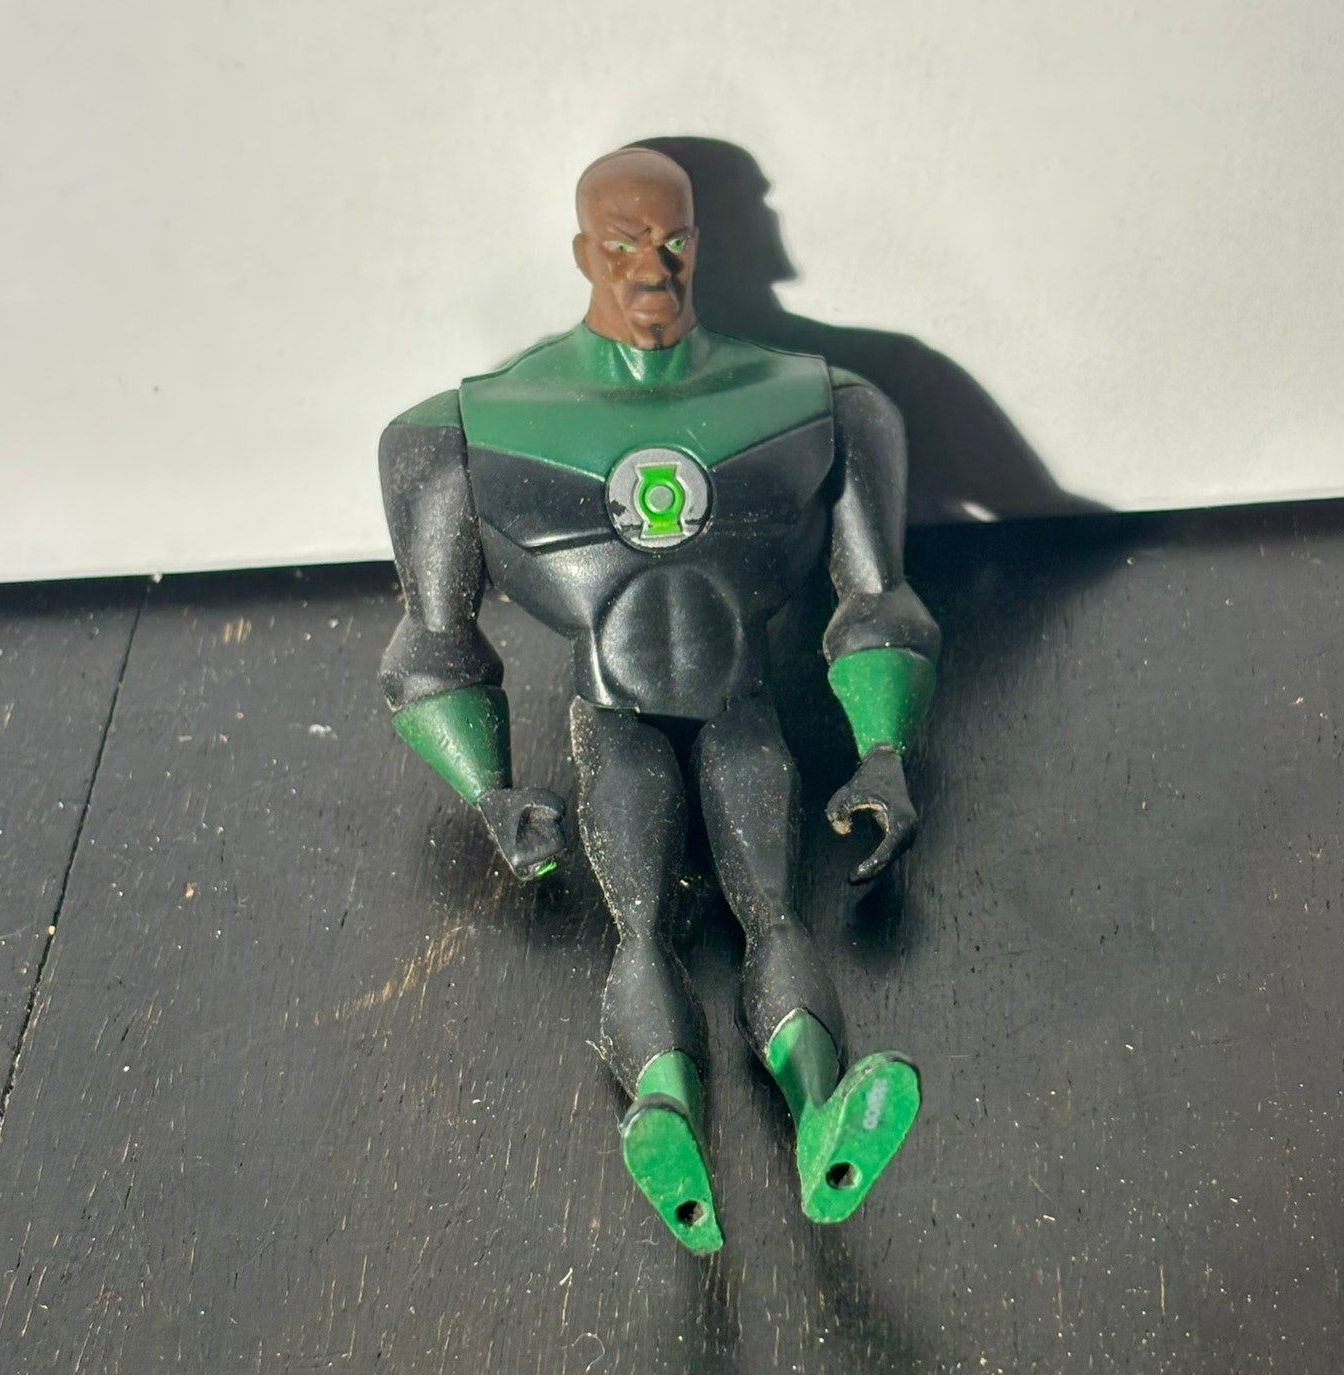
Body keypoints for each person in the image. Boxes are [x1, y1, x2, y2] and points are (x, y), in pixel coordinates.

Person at [378, 148, 941, 1253]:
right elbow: (434, 641)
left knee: (776, 912)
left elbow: (877, 597)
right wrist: (489, 790)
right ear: (582, 251)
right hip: (615, 713)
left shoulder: (826, 407)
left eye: (674, 241)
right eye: (624, 244)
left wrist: (884, 747)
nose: (652, 269)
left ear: (701, 244)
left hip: (741, 703)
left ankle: (825, 1111)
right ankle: (665, 1113)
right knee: (637, 924)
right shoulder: (461, 434)